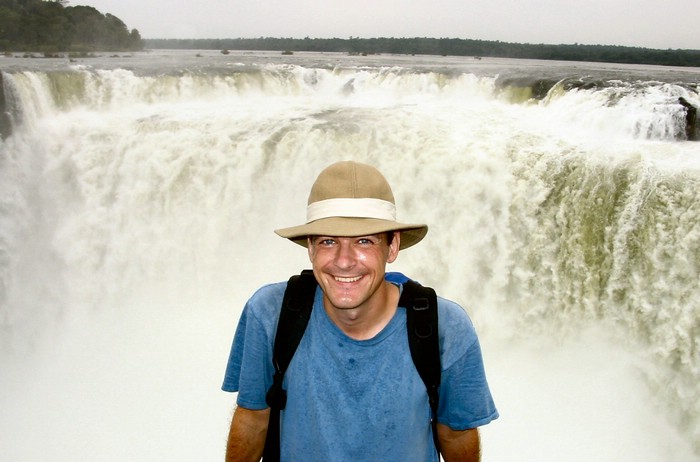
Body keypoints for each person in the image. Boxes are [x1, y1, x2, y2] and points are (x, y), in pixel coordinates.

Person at [222, 160, 498, 461]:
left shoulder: (445, 326)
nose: (344, 261)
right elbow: (252, 419)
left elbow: (455, 434)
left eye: (364, 241)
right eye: (329, 241)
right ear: (311, 249)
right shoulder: (269, 313)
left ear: (392, 247)